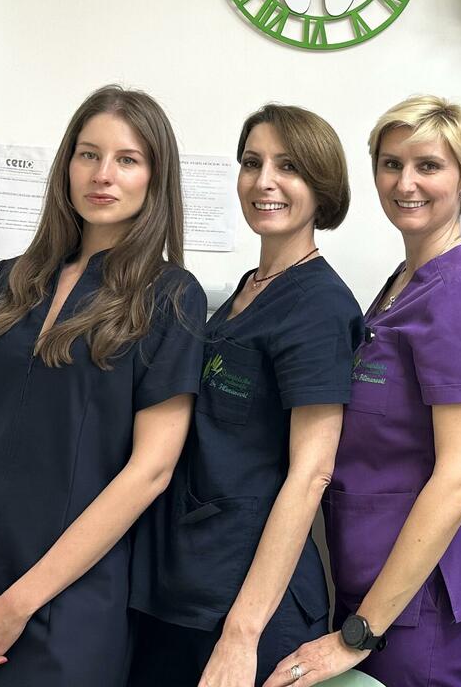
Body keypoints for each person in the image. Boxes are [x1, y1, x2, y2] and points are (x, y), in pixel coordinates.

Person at [0, 86, 206, 685]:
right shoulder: (9, 281)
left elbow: (150, 471)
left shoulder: (171, 296)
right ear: (67, 165)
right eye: (88, 154)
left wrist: (18, 606)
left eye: (127, 159)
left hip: (67, 601)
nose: (103, 174)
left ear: (155, 178)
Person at [266, 96, 461, 687]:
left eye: (428, 166)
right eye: (391, 164)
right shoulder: (405, 283)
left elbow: (460, 478)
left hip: (418, 604)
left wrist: (361, 631)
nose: (405, 183)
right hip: (376, 583)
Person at [128, 105, 362, 686]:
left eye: (289, 167)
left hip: (249, 606)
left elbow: (312, 472)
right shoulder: (248, 291)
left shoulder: (319, 306)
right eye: (252, 163)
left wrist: (242, 634)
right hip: (189, 584)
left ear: (322, 185)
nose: (264, 181)